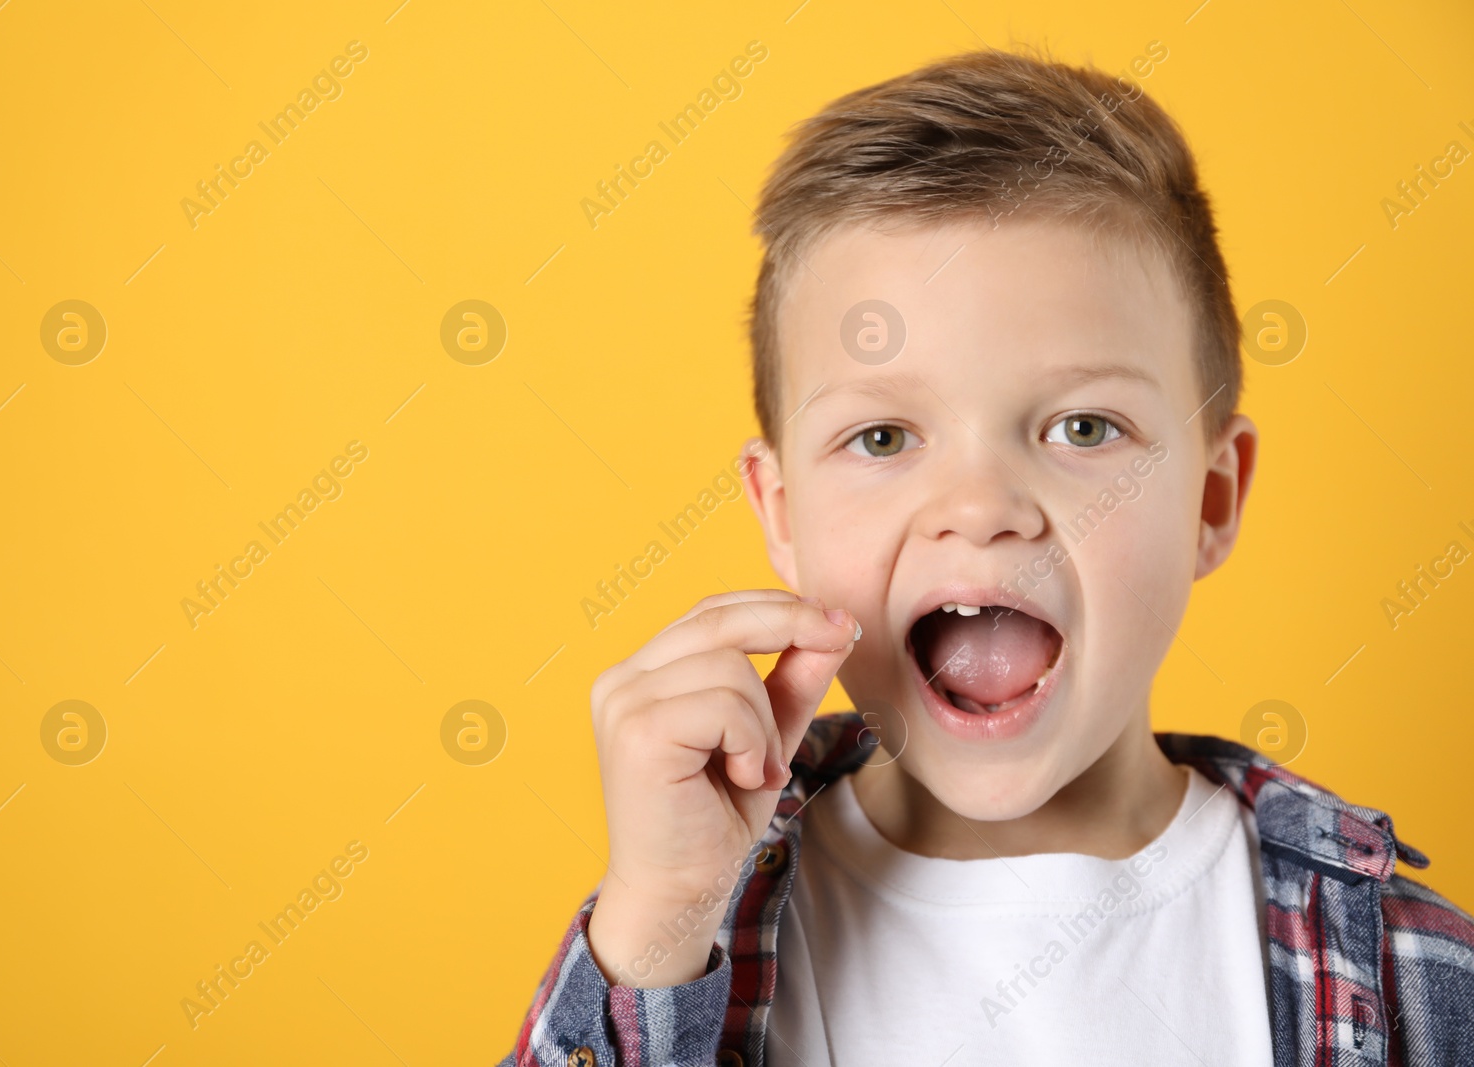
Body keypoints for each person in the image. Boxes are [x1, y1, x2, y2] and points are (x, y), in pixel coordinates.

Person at [501, 46, 1474, 1066]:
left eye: (1083, 428)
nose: (978, 508)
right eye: (882, 437)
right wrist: (657, 923)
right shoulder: (670, 945)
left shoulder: (1406, 966)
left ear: (1210, 498)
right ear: (781, 514)